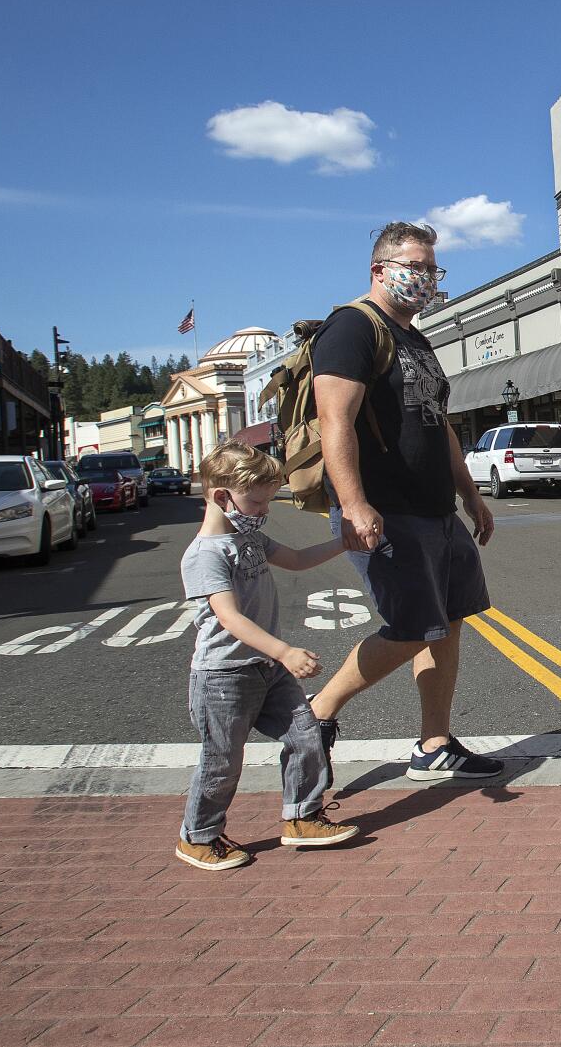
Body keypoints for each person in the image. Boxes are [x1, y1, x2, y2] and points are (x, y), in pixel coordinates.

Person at [304, 221, 504, 783]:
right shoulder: (351, 328)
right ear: (380, 270)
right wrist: (355, 504)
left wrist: (471, 496)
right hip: (389, 510)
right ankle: (315, 714)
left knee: (450, 620)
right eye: (414, 266)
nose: (424, 278)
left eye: (432, 268)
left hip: (437, 509)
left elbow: (438, 427)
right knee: (413, 626)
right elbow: (334, 420)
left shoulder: (414, 337)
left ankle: (434, 744)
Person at [175, 442, 360, 870]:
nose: (263, 510)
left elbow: (295, 559)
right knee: (221, 761)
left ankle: (301, 817)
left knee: (306, 734)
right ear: (222, 497)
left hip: (265, 669)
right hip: (224, 676)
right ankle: (198, 836)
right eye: (256, 501)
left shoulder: (249, 536)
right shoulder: (206, 555)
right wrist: (285, 651)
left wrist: (344, 543)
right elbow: (229, 618)